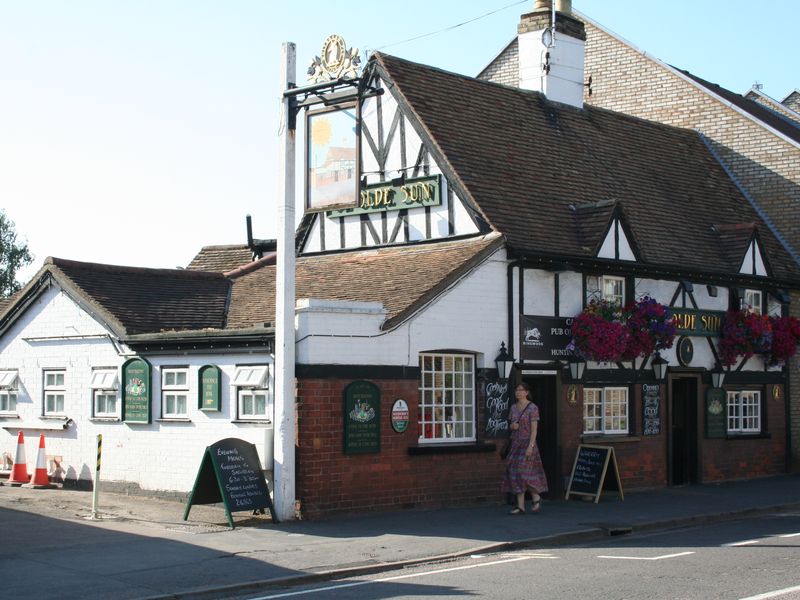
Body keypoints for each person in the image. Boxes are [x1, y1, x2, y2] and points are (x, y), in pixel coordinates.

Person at [501, 382, 548, 514]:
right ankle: (520, 506)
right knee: (515, 473)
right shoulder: (513, 408)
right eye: (516, 390)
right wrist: (512, 426)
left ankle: (536, 497)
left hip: (528, 443)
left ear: (526, 392)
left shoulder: (533, 408)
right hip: (516, 444)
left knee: (524, 472)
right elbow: (511, 425)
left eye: (521, 390)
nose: (518, 393)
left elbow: (534, 430)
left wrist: (531, 446)